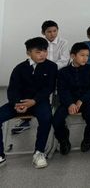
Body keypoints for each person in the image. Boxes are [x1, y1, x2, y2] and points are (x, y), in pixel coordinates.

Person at [0, 37, 57, 168]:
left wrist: (34, 101)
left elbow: (48, 88)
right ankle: (0, 154)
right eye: (38, 52)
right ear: (28, 53)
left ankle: (39, 152)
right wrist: (16, 103)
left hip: (39, 102)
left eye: (45, 51)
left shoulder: (51, 67)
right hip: (19, 103)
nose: (42, 55)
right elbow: (13, 89)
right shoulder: (19, 68)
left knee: (46, 118)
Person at [12, 20, 69, 136]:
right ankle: (26, 120)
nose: (52, 34)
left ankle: (60, 120)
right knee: (32, 89)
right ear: (43, 32)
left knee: (57, 92)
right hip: (42, 71)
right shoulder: (39, 43)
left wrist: (49, 68)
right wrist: (45, 68)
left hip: (58, 72)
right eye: (49, 32)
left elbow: (64, 60)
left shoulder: (64, 42)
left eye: (55, 31)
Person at [53, 42, 90, 155]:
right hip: (68, 101)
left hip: (86, 100)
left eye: (87, 55)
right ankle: (63, 140)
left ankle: (88, 137)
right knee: (57, 120)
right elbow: (62, 90)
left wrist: (82, 100)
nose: (85, 58)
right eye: (82, 55)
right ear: (73, 56)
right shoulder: (63, 72)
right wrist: (70, 103)